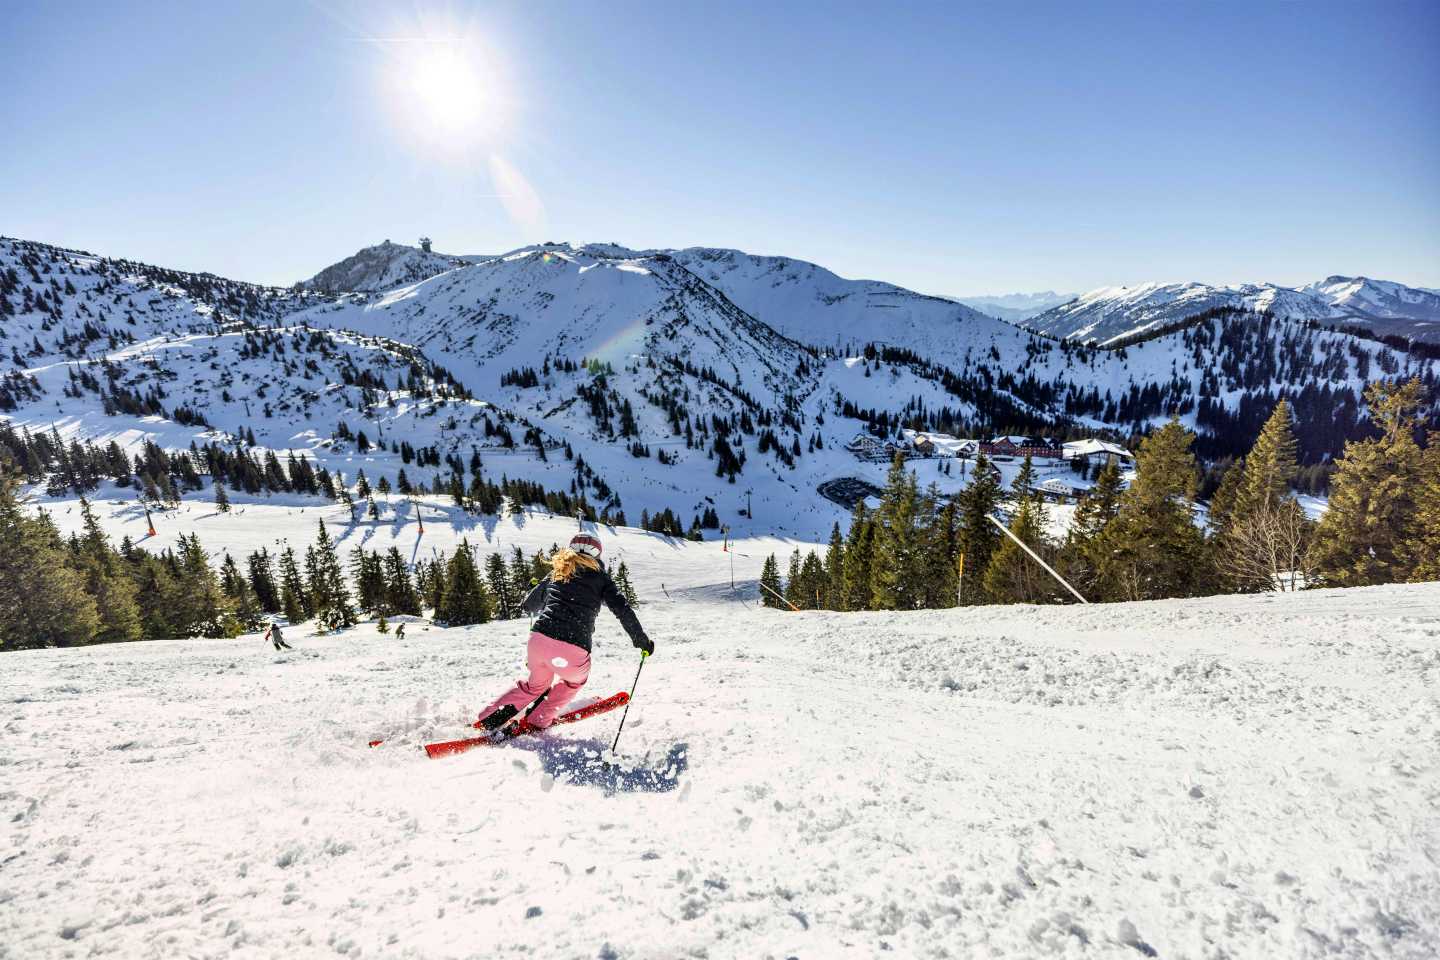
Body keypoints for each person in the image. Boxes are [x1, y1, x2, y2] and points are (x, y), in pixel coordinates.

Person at [478, 533, 653, 732]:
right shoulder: (602, 579)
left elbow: (529, 605)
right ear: (598, 554)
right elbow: (622, 610)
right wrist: (642, 641)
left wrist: (540, 590)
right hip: (573, 646)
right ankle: (538, 720)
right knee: (574, 681)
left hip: (539, 640)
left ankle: (486, 720)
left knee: (533, 686)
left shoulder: (557, 571)